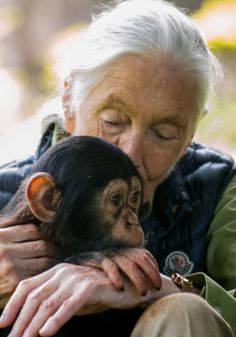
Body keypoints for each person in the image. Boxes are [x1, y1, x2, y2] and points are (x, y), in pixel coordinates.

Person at [0, 0, 235, 336]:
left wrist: (158, 288)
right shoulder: (6, 191)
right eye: (113, 121)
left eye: (164, 134)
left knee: (184, 311)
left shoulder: (218, 188)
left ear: (189, 137)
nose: (130, 154)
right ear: (69, 102)